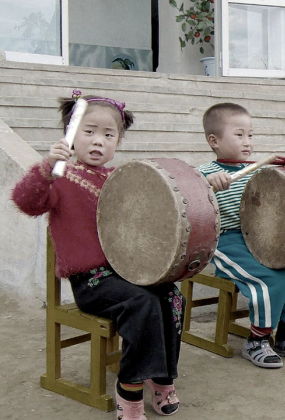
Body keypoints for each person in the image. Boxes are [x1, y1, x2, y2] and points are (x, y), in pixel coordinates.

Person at [12, 91, 182, 420]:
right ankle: (129, 390)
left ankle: (161, 377)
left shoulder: (123, 179)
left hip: (128, 273)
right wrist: (47, 166)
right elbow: (25, 201)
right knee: (142, 303)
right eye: (88, 131)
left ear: (118, 139)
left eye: (108, 134)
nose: (98, 141)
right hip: (92, 282)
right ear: (70, 135)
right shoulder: (59, 178)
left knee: (171, 297)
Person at [198, 103, 285, 369]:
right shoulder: (205, 174)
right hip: (227, 242)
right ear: (214, 141)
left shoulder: (258, 169)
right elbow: (186, 197)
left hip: (262, 238)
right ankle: (257, 340)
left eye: (250, 135)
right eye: (239, 135)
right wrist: (207, 184)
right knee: (273, 282)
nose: (247, 142)